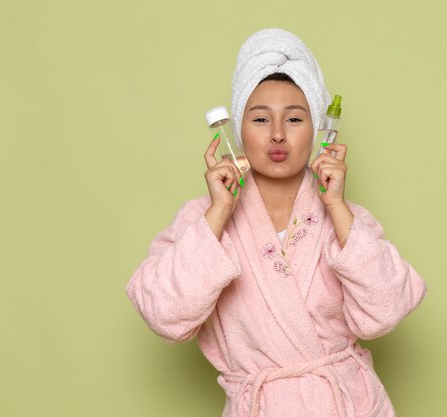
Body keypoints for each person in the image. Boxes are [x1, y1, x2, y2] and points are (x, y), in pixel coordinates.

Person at [126, 28, 427, 417]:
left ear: (318, 129)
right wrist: (218, 212)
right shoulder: (203, 220)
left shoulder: (346, 218)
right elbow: (163, 315)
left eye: (295, 118)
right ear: (238, 130)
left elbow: (386, 311)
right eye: (261, 119)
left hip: (347, 405)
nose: (279, 135)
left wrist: (335, 205)